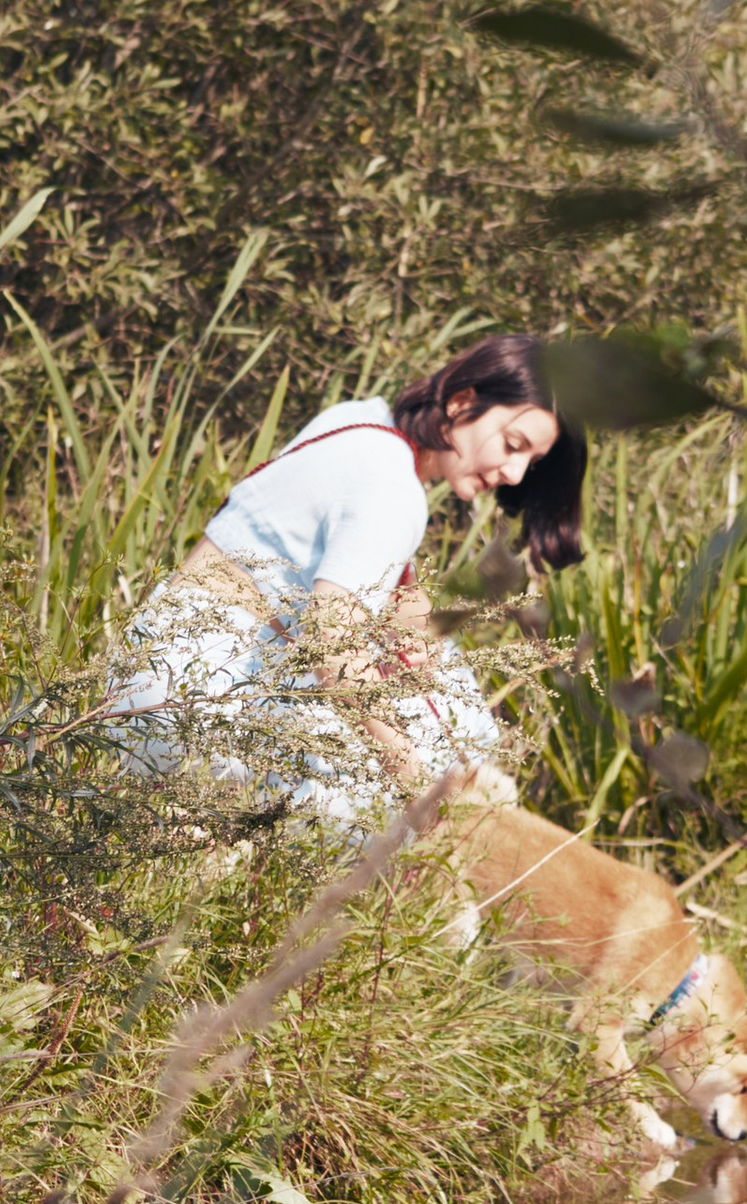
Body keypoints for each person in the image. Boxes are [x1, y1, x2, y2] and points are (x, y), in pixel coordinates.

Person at [108, 332, 587, 831]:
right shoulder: (395, 489)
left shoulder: (363, 419)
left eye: (530, 463)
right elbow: (331, 649)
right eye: (512, 445)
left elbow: (335, 560)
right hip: (197, 692)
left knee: (448, 685)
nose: (513, 473)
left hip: (153, 660)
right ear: (462, 401)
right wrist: (415, 785)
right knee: (388, 805)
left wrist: (405, 608)